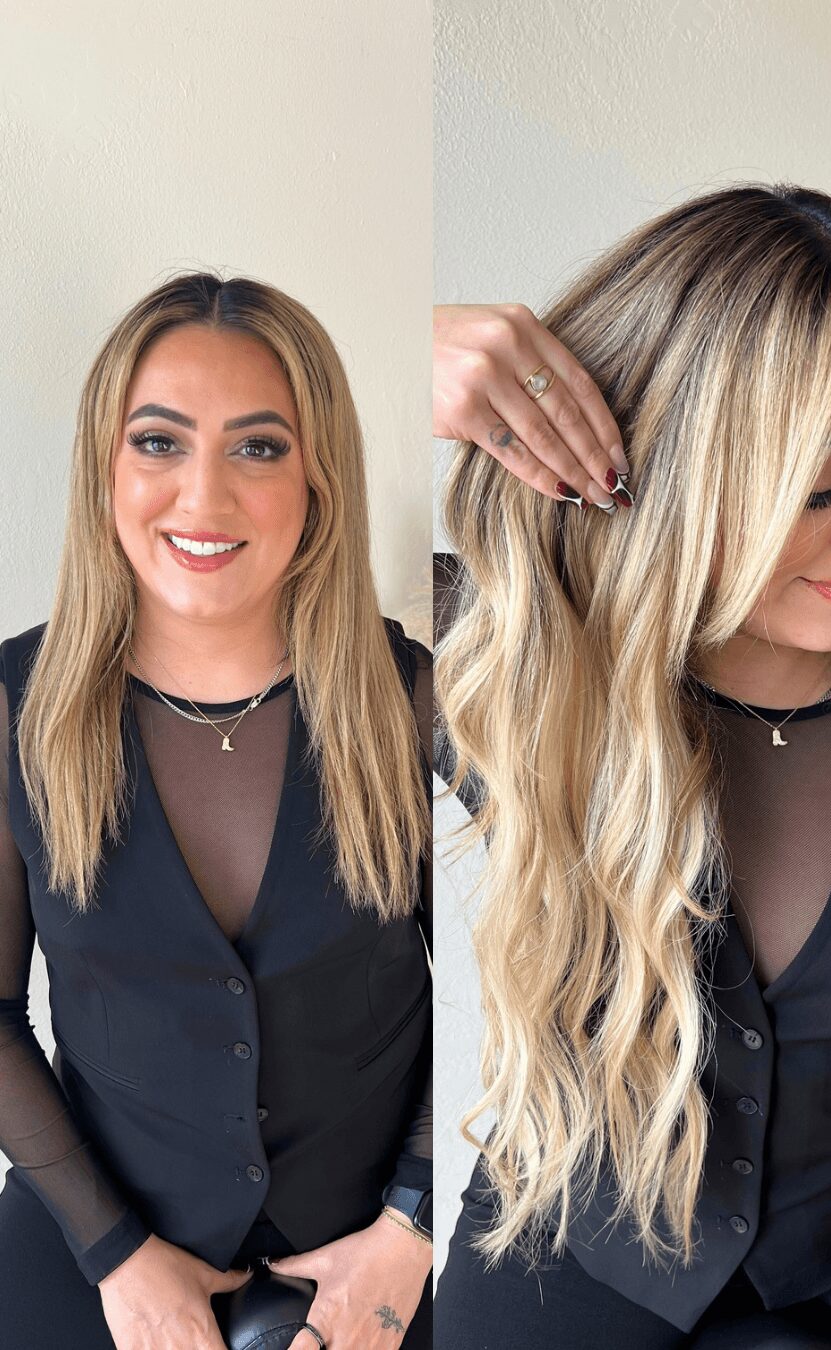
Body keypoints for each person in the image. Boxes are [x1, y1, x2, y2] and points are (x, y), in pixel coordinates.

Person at [430, 185, 831, 1348]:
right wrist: (403, 356)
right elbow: (243, 577)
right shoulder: (524, 668)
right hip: (584, 1229)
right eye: (822, 482)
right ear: (671, 456)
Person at [0, 273, 434, 1348]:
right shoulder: (12, 709)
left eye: (258, 448)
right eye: (158, 442)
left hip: (378, 1255)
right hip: (93, 1235)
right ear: (103, 468)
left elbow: (525, 982)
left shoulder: (415, 698)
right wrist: (115, 1254)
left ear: (318, 478)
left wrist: (414, 1226)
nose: (203, 498)